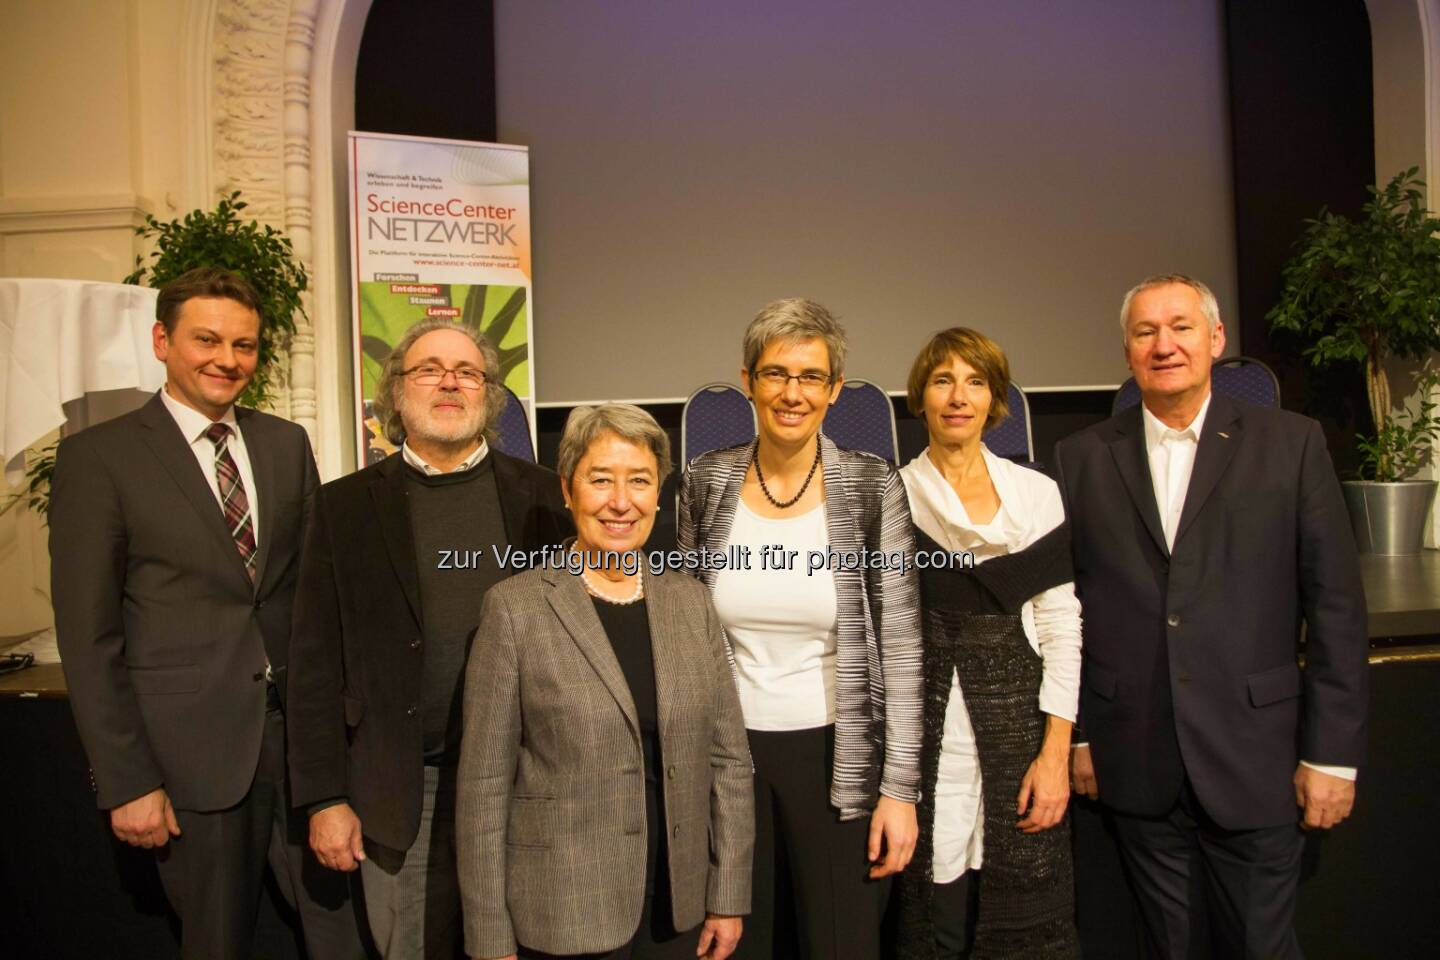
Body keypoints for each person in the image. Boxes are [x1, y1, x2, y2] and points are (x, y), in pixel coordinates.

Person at [48, 267, 364, 960]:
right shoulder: (98, 459)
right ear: (163, 340)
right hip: (192, 764)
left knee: (341, 941)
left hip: (302, 755)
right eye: (208, 340)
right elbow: (89, 637)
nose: (227, 359)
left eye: (245, 345)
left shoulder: (286, 445)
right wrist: (129, 781)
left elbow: (313, 602)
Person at [1053, 274, 1368, 958]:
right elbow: (1067, 611)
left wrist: (1333, 756)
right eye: (1145, 332)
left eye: (1182, 327)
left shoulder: (1293, 444)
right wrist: (1078, 735)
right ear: (1128, 351)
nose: (1164, 345)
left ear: (1216, 339)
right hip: (1134, 761)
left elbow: (1337, 608)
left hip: (1258, 760)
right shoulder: (1080, 459)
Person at [286, 319, 571, 959]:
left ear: (489, 394)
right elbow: (312, 666)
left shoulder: (548, 497)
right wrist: (324, 797)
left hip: (527, 782)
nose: (449, 381)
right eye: (429, 369)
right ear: (396, 392)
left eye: (467, 371)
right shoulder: (343, 508)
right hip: (400, 791)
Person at [456, 403, 753, 960]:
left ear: (658, 495)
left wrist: (728, 895)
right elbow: (483, 788)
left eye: (639, 481)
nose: (621, 502)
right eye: (601, 480)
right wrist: (489, 934)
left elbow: (729, 761)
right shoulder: (515, 609)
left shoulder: (690, 601)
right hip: (564, 909)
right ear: (567, 491)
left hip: (677, 909)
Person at [677, 298, 922, 960]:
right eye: (777, 373)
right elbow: (686, 630)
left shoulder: (874, 485)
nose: (793, 392)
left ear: (835, 389)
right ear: (749, 380)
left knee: (836, 943)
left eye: (811, 376)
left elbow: (900, 645)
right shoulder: (705, 481)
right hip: (731, 759)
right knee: (743, 942)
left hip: (836, 760)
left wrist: (900, 790)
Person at [891, 328, 1081, 959]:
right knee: (936, 907)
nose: (958, 396)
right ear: (922, 395)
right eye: (943, 379)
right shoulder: (891, 497)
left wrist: (1056, 753)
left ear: (995, 398)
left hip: (1021, 730)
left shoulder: (1036, 493)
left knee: (1022, 892)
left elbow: (1060, 626)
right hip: (929, 733)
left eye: (975, 381)